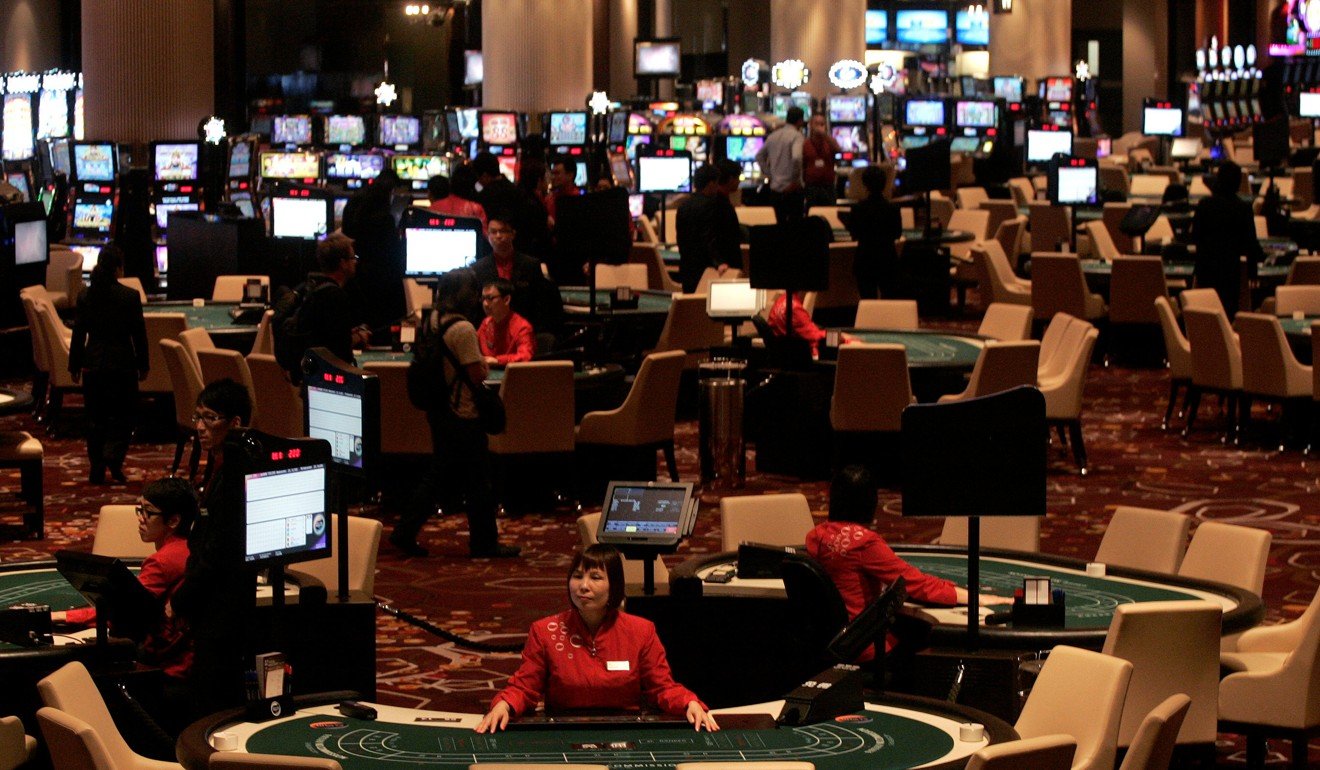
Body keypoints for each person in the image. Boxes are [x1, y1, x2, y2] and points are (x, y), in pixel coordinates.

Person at [476, 544, 717, 732]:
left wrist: (689, 703)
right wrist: (503, 704)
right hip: (562, 728)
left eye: (595, 577)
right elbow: (525, 687)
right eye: (577, 576)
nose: (583, 586)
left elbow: (662, 687)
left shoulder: (641, 631)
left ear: (615, 585)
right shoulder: (545, 630)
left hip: (626, 728)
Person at [807, 466, 1011, 662]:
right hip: (862, 648)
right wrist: (978, 598)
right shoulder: (865, 542)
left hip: (826, 644)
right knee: (924, 640)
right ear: (870, 502)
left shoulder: (815, 536)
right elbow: (915, 584)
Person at [393, 269, 520, 559]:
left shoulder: (432, 320)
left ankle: (406, 531)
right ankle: (483, 543)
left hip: (439, 409)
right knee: (478, 483)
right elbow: (476, 373)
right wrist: (484, 366)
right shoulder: (462, 328)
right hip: (462, 413)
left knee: (440, 475)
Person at [54, 477, 198, 731]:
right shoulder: (193, 550)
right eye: (139, 509)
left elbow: (121, 610)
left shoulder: (161, 562)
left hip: (165, 672)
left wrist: (61, 617)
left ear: (173, 521)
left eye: (148, 512)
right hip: (194, 668)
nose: (140, 518)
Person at [171, 378, 255, 716]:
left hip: (225, 602)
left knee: (213, 699)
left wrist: (182, 598)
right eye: (198, 418)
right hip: (215, 597)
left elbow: (219, 549)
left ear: (235, 424)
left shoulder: (238, 471)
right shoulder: (218, 460)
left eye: (210, 418)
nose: (201, 428)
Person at [68, 245, 148, 484]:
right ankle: (112, 457)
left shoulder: (85, 296)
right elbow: (139, 335)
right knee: (125, 416)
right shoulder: (130, 297)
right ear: (117, 268)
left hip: (93, 365)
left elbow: (78, 334)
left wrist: (74, 365)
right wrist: (144, 364)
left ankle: (97, 465)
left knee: (95, 419)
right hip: (122, 366)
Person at [471, 212, 564, 340]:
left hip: (525, 332)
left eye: (503, 231)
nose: (498, 236)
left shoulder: (530, 265)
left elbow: (540, 306)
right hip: (489, 335)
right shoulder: (477, 268)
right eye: (493, 232)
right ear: (487, 235)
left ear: (513, 234)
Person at [1191, 161, 1264, 318]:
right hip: (1230, 274)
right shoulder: (1243, 208)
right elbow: (1250, 244)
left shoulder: (1204, 205)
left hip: (1205, 272)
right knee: (1228, 317)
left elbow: (1195, 236)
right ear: (1238, 183)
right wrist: (1254, 270)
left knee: (1205, 316)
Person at [289, 232, 371, 365]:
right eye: (352, 257)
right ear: (343, 263)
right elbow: (339, 346)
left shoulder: (314, 289)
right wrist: (360, 336)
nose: (355, 261)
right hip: (329, 379)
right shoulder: (335, 296)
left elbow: (324, 336)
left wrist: (347, 332)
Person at [340, 167, 405, 331]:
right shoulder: (384, 218)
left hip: (358, 271)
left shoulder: (357, 201)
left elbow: (346, 232)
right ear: (390, 190)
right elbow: (393, 252)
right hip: (382, 277)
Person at [675, 161, 742, 294]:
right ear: (711, 183)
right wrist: (719, 262)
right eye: (716, 183)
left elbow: (681, 238)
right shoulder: (712, 206)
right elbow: (708, 238)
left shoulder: (683, 206)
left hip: (687, 268)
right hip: (706, 271)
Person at [847, 165, 904, 299]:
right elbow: (897, 233)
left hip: (864, 260)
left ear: (865, 184)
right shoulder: (893, 209)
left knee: (867, 301)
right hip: (888, 260)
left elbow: (854, 234)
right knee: (889, 302)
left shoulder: (858, 209)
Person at [756, 106, 806, 222]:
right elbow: (797, 158)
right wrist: (795, 181)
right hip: (792, 190)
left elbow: (759, 156)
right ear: (800, 121)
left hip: (775, 189)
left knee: (778, 226)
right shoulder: (797, 136)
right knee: (794, 229)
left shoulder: (773, 136)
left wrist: (769, 173)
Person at [477, 278, 535, 365]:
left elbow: (525, 356)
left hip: (513, 375)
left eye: (490, 298)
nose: (485, 304)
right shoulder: (486, 323)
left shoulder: (522, 327)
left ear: (506, 299)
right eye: (483, 298)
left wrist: (497, 360)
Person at [766, 291, 828, 356]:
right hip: (795, 356)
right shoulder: (795, 309)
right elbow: (814, 336)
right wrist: (836, 336)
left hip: (781, 352)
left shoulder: (781, 300)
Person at [803, 113, 841, 208]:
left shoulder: (830, 142)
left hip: (828, 186)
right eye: (816, 124)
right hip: (812, 187)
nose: (819, 126)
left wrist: (824, 135)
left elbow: (838, 149)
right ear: (811, 125)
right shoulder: (806, 143)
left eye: (822, 124)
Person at [545, 155, 582, 227]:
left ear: (570, 175)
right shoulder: (549, 199)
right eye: (552, 173)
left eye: (557, 173)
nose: (553, 177)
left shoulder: (578, 200)